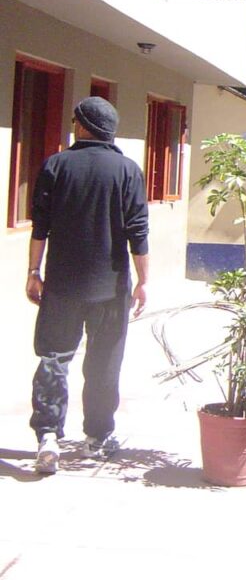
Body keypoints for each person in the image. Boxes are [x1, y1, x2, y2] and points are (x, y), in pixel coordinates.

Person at [26, 96, 149, 474]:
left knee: (53, 360)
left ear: (82, 125)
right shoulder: (128, 171)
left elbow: (40, 226)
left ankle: (48, 437)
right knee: (103, 364)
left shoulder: (56, 165)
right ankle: (97, 438)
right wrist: (143, 281)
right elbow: (138, 231)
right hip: (110, 290)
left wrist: (33, 271)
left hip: (62, 287)